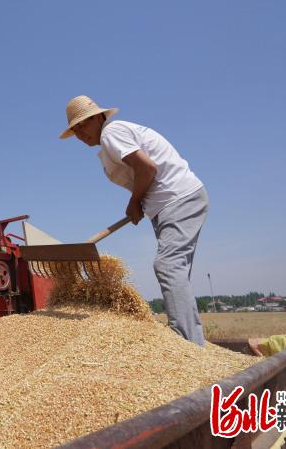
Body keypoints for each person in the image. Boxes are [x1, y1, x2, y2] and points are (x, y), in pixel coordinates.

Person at [60, 95, 208, 346]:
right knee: (175, 270)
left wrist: (134, 200)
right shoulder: (111, 139)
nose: (80, 134)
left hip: (177, 199)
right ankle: (191, 338)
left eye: (82, 125)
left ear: (98, 117)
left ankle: (187, 344)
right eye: (75, 130)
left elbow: (147, 168)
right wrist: (139, 202)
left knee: (168, 266)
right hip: (168, 204)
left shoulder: (111, 133)